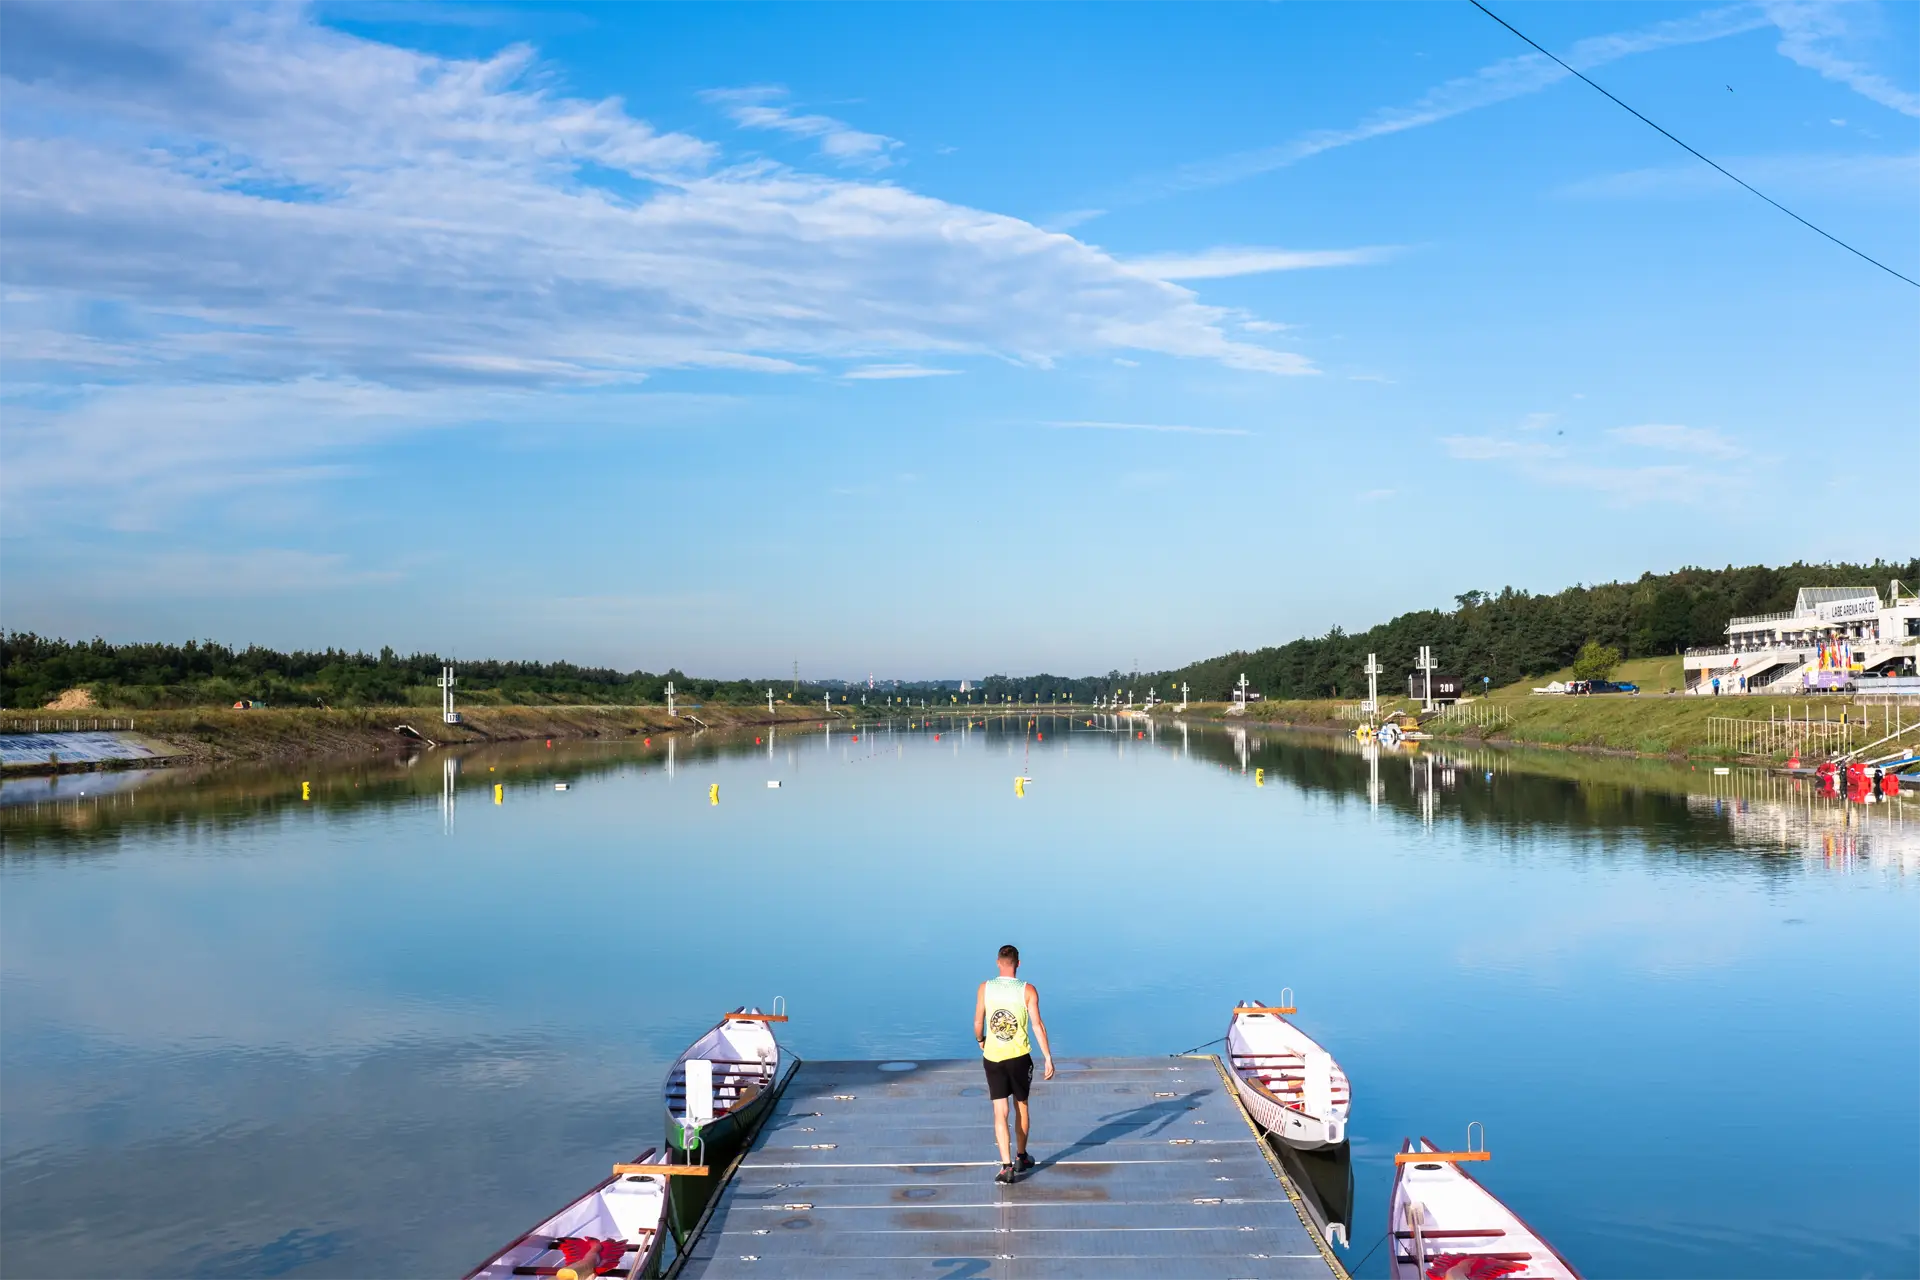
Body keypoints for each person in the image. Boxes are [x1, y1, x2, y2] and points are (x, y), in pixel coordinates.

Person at [974, 943, 1054, 1184]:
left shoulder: (985, 988)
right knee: (1021, 1106)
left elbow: (979, 1021)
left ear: (998, 963)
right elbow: (1037, 1026)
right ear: (1018, 964)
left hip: (994, 1057)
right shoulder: (1027, 990)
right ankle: (1021, 1157)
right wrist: (1048, 1057)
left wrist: (981, 1040)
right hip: (1019, 1058)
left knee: (1000, 1111)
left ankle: (1006, 1167)